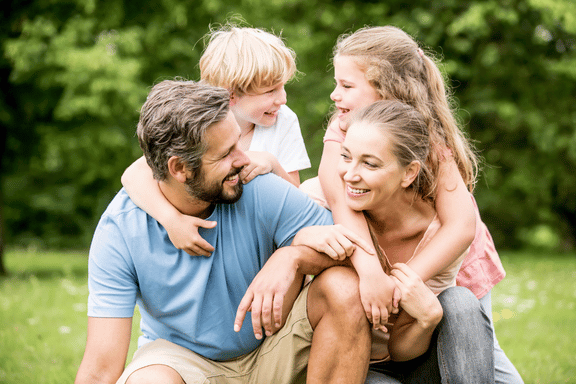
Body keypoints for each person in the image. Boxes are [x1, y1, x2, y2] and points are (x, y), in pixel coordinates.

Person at [74, 79, 374, 384]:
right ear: (179, 169)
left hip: (273, 350)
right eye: (225, 153)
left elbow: (356, 251)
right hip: (184, 362)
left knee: (343, 287)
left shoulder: (256, 185)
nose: (244, 159)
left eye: (238, 143)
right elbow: (100, 370)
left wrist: (292, 257)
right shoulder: (121, 230)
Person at [299, 26, 522, 383]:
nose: (335, 94)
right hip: (386, 251)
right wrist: (373, 274)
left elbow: (461, 226)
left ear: (385, 88)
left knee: (484, 359)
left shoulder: (428, 136)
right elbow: (341, 201)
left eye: (347, 85)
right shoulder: (344, 129)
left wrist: (403, 284)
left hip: (449, 258)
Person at [296, 100, 495, 383]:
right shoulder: (320, 200)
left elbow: (401, 350)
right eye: (345, 156)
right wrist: (302, 237)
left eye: (369, 163)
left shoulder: (440, 234)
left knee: (461, 302)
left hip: (418, 358)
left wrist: (426, 321)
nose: (349, 175)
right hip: (358, 365)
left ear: (409, 173)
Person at [120, 25, 310, 256]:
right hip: (209, 240)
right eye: (271, 91)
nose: (282, 98)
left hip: (260, 247)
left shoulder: (283, 120)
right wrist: (172, 221)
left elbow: (298, 203)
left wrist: (273, 164)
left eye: (283, 86)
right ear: (231, 95)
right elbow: (133, 175)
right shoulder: (198, 121)